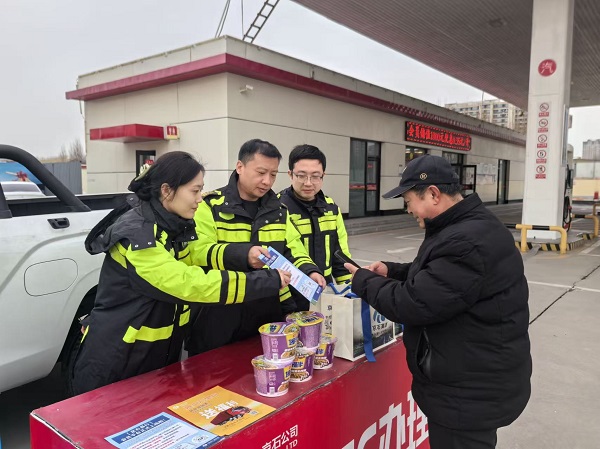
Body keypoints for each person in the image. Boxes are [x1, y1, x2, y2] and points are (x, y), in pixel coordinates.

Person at [344, 154, 531, 449]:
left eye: (409, 201)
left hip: (467, 395)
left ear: (433, 194)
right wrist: (392, 271)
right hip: (476, 380)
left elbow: (413, 303)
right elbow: (440, 279)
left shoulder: (465, 241)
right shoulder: (470, 226)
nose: (408, 210)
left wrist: (364, 281)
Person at [71, 151, 291, 395]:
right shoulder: (139, 237)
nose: (200, 199)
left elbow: (197, 253)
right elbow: (188, 283)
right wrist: (266, 281)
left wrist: (244, 255)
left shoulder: (172, 225)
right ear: (167, 190)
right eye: (195, 191)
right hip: (117, 361)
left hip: (154, 358)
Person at [187, 138, 326, 356]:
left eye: (273, 174)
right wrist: (243, 255)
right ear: (240, 167)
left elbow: (293, 249)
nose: (267, 181)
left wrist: (310, 271)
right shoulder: (210, 206)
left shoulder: (279, 211)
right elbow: (197, 252)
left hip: (267, 310)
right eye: (261, 172)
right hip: (218, 311)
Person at [278, 144, 352, 310]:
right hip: (289, 296)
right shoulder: (277, 209)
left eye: (315, 176)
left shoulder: (331, 208)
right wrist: (286, 304)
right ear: (290, 174)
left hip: (324, 291)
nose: (308, 183)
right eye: (301, 176)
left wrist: (348, 290)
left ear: (323, 175)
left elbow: (341, 256)